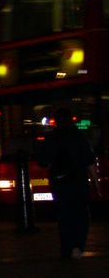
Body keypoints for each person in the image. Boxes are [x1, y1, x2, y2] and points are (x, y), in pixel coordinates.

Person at [39, 107, 98, 259]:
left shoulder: (51, 138)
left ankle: (67, 247)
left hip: (60, 183)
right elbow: (90, 162)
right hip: (79, 181)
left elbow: (44, 161)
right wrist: (96, 185)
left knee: (64, 215)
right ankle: (78, 245)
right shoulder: (80, 137)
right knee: (81, 214)